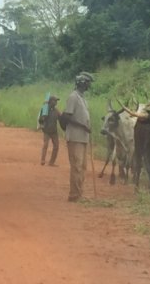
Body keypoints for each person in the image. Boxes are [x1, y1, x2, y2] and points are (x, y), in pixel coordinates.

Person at [63, 72, 93, 202]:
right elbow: (67, 116)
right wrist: (83, 126)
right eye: (87, 83)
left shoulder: (83, 98)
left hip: (83, 137)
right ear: (82, 83)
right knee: (77, 166)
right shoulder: (73, 97)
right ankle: (74, 195)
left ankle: (79, 193)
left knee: (83, 167)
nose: (88, 85)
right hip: (75, 136)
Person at [37, 94, 61, 166]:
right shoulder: (45, 109)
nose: (56, 102)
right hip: (46, 131)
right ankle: (43, 160)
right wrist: (41, 125)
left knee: (56, 146)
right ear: (51, 101)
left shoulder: (56, 111)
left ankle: (51, 162)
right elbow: (41, 119)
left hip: (54, 131)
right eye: (55, 101)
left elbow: (61, 119)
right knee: (45, 145)